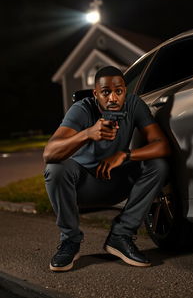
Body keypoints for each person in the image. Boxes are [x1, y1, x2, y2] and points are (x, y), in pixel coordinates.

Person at [43, 65, 171, 272]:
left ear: (124, 91)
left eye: (118, 91)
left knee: (157, 165)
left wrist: (125, 155)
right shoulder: (82, 109)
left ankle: (121, 236)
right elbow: (49, 153)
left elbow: (162, 145)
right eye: (106, 92)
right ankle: (70, 241)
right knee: (56, 168)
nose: (113, 98)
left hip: (115, 180)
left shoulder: (134, 105)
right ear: (96, 94)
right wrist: (88, 133)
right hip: (82, 187)